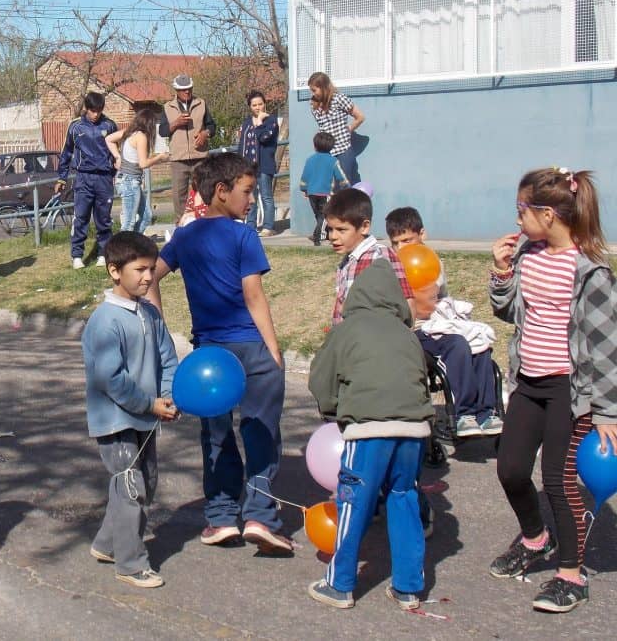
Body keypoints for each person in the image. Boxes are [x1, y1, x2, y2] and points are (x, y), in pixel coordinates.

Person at [488, 167, 617, 613]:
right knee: (510, 470)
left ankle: (571, 576)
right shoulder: (528, 253)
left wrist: (607, 413)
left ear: (547, 214)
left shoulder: (592, 272)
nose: (516, 218)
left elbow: (606, 350)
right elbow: (507, 312)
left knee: (559, 482)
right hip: (529, 382)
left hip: (569, 390)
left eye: (521, 210)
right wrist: (502, 272)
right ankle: (535, 539)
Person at [147, 153, 291, 553]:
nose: (250, 200)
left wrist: (160, 322)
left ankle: (222, 517)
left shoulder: (184, 237)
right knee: (261, 433)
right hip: (251, 349)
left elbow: (151, 277)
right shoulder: (244, 235)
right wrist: (274, 349)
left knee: (217, 437)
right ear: (221, 192)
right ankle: (261, 517)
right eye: (246, 192)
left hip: (210, 356)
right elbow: (253, 295)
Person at [306, 259, 432, 610]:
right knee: (403, 495)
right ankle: (408, 587)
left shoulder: (347, 330)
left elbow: (321, 379)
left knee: (354, 500)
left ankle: (340, 583)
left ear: (356, 294)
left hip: (368, 427)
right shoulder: (407, 334)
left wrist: (334, 411)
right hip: (413, 429)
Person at [82, 231, 179, 588]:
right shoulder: (105, 321)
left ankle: (108, 544)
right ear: (114, 271)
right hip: (115, 420)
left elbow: (168, 359)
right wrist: (148, 403)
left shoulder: (150, 314)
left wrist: (169, 397)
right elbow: (111, 378)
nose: (148, 277)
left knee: (145, 483)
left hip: (147, 416)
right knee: (130, 486)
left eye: (151, 269)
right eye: (139, 269)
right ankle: (131, 563)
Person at [386, 207, 500, 437]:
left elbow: (441, 299)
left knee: (479, 343)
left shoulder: (431, 261)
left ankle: (488, 412)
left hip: (439, 325)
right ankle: (464, 414)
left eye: (407, 240)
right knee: (456, 344)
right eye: (395, 243)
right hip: (414, 331)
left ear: (422, 234)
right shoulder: (392, 267)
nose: (401, 248)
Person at [324, 189, 414, 326]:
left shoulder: (380, 256)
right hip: (349, 340)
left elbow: (407, 301)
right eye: (330, 229)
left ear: (364, 227)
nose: (333, 237)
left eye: (341, 230)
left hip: (374, 341)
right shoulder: (346, 262)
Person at [56, 92, 118, 269]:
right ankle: (77, 255)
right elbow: (66, 152)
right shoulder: (75, 127)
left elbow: (116, 153)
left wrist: (112, 174)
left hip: (104, 178)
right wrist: (61, 178)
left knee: (103, 219)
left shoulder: (110, 125)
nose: (95, 114)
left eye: (99, 110)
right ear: (86, 108)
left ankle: (103, 254)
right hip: (83, 177)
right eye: (92, 110)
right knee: (81, 217)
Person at [159, 74, 215, 222]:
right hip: (178, 159)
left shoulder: (201, 103)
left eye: (189, 89)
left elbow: (212, 126)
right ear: (176, 90)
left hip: (200, 157)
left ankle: (205, 223)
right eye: (183, 90)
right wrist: (175, 123)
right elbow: (162, 131)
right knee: (179, 195)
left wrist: (205, 133)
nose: (187, 92)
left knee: (204, 191)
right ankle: (181, 226)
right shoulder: (167, 107)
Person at [105, 109, 169, 234]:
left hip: (128, 180)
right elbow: (143, 163)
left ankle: (133, 243)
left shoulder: (129, 133)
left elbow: (108, 139)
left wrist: (118, 156)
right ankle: (122, 250)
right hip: (129, 182)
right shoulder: (141, 137)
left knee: (146, 216)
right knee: (128, 223)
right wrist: (160, 158)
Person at [307, 72, 364, 185]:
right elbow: (322, 127)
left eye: (314, 90)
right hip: (326, 152)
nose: (312, 93)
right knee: (328, 187)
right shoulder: (313, 104)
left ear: (323, 87)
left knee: (344, 186)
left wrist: (349, 129)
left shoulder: (339, 99)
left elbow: (360, 117)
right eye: (311, 90)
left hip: (343, 151)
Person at [238, 90, 279, 237]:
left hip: (265, 165)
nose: (258, 107)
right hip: (249, 167)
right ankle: (251, 225)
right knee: (250, 197)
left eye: (260, 104)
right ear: (250, 106)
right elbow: (242, 144)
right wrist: (240, 165)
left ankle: (269, 226)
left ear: (265, 104)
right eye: (254, 105)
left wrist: (261, 122)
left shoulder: (271, 121)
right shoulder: (247, 123)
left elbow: (264, 138)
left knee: (266, 196)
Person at [300, 132, 349, 247]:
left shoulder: (310, 160)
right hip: (325, 193)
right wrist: (346, 187)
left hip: (312, 193)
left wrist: (304, 189)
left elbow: (305, 176)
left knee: (318, 215)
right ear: (332, 147)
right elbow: (341, 176)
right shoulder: (333, 161)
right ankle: (318, 235)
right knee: (325, 215)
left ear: (315, 146)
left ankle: (321, 233)